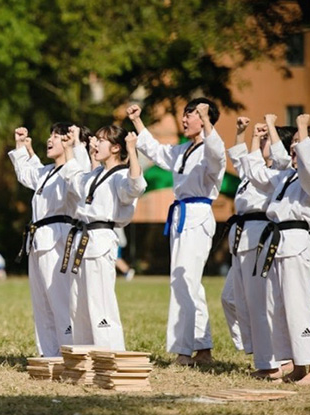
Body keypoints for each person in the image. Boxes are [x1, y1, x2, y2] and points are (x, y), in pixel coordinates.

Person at [128, 99, 226, 366]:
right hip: (182, 214)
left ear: (205, 119)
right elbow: (157, 152)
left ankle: (184, 352)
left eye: (191, 115)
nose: (184, 119)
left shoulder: (211, 149)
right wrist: (137, 121)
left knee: (183, 281)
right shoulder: (183, 150)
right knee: (189, 282)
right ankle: (202, 349)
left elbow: (217, 155)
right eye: (184, 114)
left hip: (197, 213)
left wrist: (207, 122)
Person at [242, 113, 310, 384]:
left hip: (296, 239)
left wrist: (302, 127)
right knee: (277, 307)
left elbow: (307, 164)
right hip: (277, 241)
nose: (293, 146)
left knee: (297, 305)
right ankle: (293, 364)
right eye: (291, 142)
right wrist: (257, 142)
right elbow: (257, 175)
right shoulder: (285, 177)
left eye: (298, 142)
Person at [61, 124, 146, 350]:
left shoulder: (120, 176)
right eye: (96, 139)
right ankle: (83, 354)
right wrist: (70, 148)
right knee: (78, 303)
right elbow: (74, 179)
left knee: (101, 302)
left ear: (116, 147)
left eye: (101, 140)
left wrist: (133, 150)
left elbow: (135, 187)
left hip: (100, 239)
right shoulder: (96, 174)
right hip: (82, 238)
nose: (95, 143)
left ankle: (110, 355)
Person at [8, 123, 90, 357]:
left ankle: (68, 351)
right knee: (42, 301)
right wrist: (22, 145)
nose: (50, 139)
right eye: (50, 134)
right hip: (38, 238)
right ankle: (48, 352)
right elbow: (27, 173)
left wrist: (76, 143)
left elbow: (83, 174)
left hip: (59, 238)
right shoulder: (48, 172)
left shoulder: (74, 171)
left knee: (61, 298)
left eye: (57, 136)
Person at [223, 114, 295, 378]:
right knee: (231, 298)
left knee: (259, 303)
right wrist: (246, 134)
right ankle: (256, 347)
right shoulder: (254, 172)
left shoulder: (278, 174)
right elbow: (242, 159)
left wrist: (272, 129)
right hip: (241, 236)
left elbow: (281, 158)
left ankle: (272, 361)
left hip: (259, 235)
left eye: (267, 140)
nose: (263, 141)